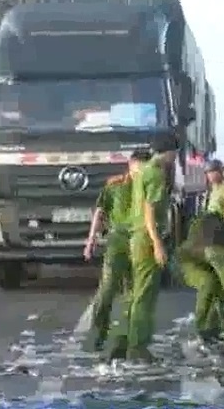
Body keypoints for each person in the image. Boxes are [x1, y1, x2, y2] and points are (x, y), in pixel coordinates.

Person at [108, 136, 177, 361]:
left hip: (136, 236)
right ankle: (137, 347)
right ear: (168, 153)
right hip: (147, 238)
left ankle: (122, 340)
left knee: (136, 292)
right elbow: (149, 210)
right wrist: (158, 244)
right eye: (173, 154)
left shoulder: (143, 172)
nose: (174, 159)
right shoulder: (156, 174)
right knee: (145, 294)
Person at [83, 149, 151, 351]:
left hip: (140, 241)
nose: (141, 172)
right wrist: (91, 240)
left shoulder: (149, 186)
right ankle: (98, 333)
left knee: (132, 293)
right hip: (118, 240)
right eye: (139, 167)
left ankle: (124, 339)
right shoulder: (115, 185)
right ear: (131, 165)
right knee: (107, 288)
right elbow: (100, 212)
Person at [179, 159, 224, 343]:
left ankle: (214, 325)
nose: (210, 176)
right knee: (210, 284)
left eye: (213, 172)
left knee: (217, 286)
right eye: (208, 173)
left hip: (218, 230)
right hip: (204, 240)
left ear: (220, 172)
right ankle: (204, 325)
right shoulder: (211, 191)